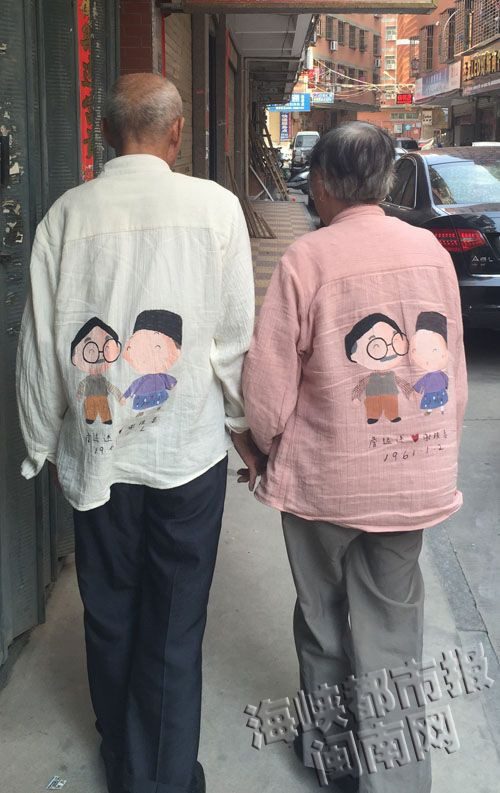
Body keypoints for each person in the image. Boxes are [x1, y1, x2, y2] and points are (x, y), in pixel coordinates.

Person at [16, 73, 261, 793]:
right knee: (175, 618)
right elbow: (232, 339)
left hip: (98, 454)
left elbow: (39, 345)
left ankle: (122, 752)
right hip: (187, 451)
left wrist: (40, 439)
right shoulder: (216, 209)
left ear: (104, 134)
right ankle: (162, 773)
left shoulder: (66, 216)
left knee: (110, 607)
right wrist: (243, 424)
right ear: (177, 132)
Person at [242, 122, 467, 793]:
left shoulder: (306, 260)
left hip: (324, 481)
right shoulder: (430, 253)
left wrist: (264, 448)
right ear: (386, 180)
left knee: (322, 620)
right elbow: (450, 371)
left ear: (320, 182)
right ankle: (396, 779)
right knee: (392, 631)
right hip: (410, 474)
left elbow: (267, 390)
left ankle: (333, 759)